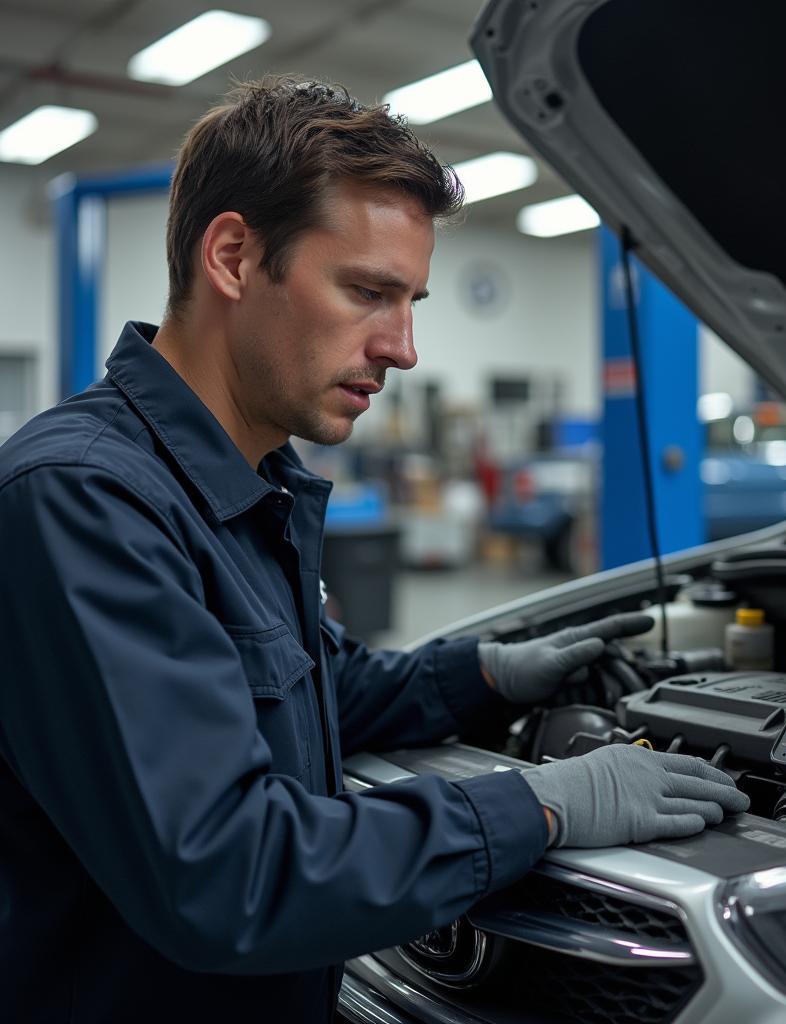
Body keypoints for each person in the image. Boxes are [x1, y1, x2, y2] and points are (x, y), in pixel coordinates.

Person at [0, 76, 748, 1023]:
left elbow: (312, 694)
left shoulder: (247, 484)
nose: (404, 348)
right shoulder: (86, 500)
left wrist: (485, 671)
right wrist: (543, 805)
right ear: (233, 256)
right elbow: (230, 873)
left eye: (412, 301)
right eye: (367, 292)